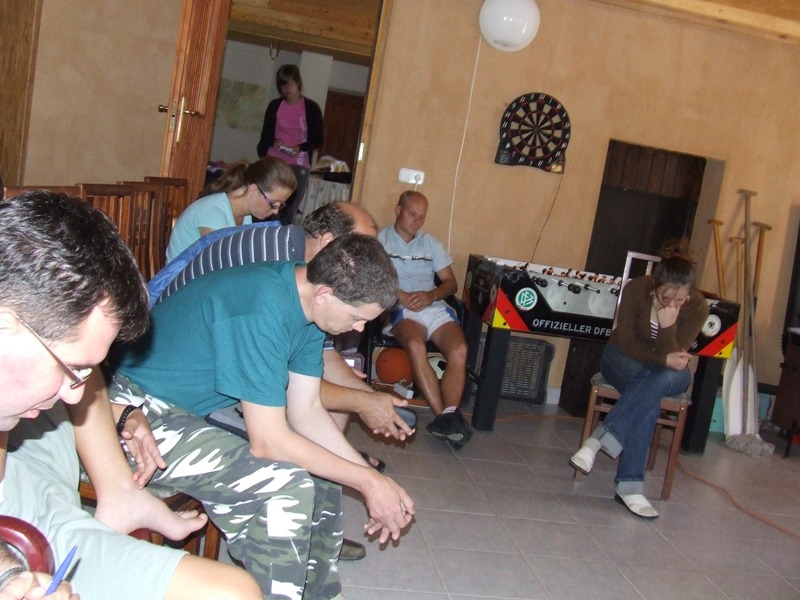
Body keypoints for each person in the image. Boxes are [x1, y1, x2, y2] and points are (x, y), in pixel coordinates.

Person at [80, 233, 414, 599]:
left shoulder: (308, 308)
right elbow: (268, 442)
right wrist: (369, 483)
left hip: (180, 412)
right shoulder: (261, 307)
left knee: (324, 476)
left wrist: (368, 478)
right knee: (286, 488)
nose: (359, 329)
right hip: (128, 411)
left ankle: (318, 595)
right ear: (325, 294)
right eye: (357, 317)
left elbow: (307, 411)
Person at [0, 191, 261, 600]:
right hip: (27, 529)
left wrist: (9, 576)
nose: (78, 397)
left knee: (235, 592)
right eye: (72, 369)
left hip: (35, 517)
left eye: (87, 371)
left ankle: (120, 491)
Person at [570, 239, 709, 519]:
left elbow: (677, 352)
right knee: (649, 395)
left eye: (680, 299)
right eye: (667, 298)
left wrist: (668, 328)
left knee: (653, 384)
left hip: (669, 372)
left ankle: (598, 440)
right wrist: (663, 359)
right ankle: (630, 487)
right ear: (655, 286)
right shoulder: (637, 289)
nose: (674, 304)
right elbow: (628, 344)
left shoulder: (697, 307)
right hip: (623, 358)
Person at [377, 191, 471, 448]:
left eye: (422, 217)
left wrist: (431, 295)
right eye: (412, 214)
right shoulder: (380, 240)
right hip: (400, 306)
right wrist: (400, 294)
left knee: (460, 349)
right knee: (416, 345)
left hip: (432, 305)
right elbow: (372, 276)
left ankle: (448, 417)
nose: (417, 221)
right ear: (398, 210)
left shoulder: (430, 243)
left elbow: (451, 283)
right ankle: (445, 418)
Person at [166, 157, 296, 262]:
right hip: (179, 283)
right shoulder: (212, 212)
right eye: (273, 203)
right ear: (253, 190)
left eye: (280, 205)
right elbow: (220, 263)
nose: (276, 211)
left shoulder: (245, 216)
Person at [256, 64, 324, 226]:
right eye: (282, 85)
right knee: (264, 204)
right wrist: (273, 141)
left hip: (298, 164)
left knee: (287, 209)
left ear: (298, 83)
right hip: (274, 161)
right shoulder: (275, 106)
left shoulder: (311, 108)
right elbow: (265, 135)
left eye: (290, 84)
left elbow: (318, 139)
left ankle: (282, 236)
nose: (286, 89)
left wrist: (300, 147)